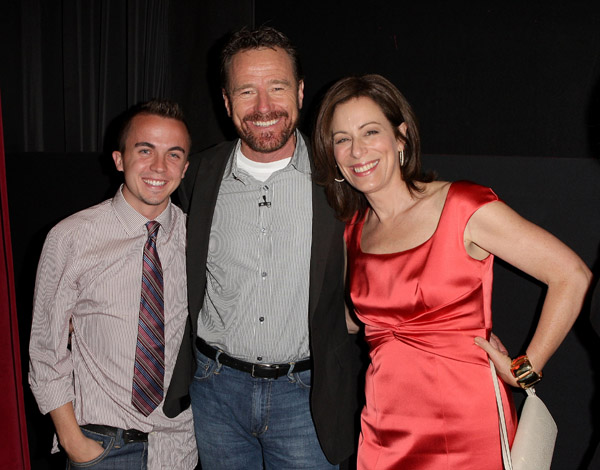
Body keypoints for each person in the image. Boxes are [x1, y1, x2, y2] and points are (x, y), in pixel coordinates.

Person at [311, 74, 592, 470]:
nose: (357, 150)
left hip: (466, 429)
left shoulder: (461, 206)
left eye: (370, 131)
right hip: (383, 430)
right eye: (341, 139)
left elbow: (571, 275)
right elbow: (356, 322)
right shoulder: (353, 232)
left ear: (401, 137)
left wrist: (523, 371)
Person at [163, 27, 361, 469]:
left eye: (277, 88)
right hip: (215, 393)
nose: (264, 107)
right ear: (227, 101)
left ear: (301, 91)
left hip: (308, 398)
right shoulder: (197, 175)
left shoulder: (341, 177)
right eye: (247, 91)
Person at [28, 99, 198, 469]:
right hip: (101, 445)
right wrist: (74, 442)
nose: (158, 166)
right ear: (119, 159)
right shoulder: (71, 237)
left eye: (173, 155)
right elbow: (45, 349)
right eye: (145, 150)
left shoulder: (196, 238)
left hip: (178, 446)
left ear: (185, 168)